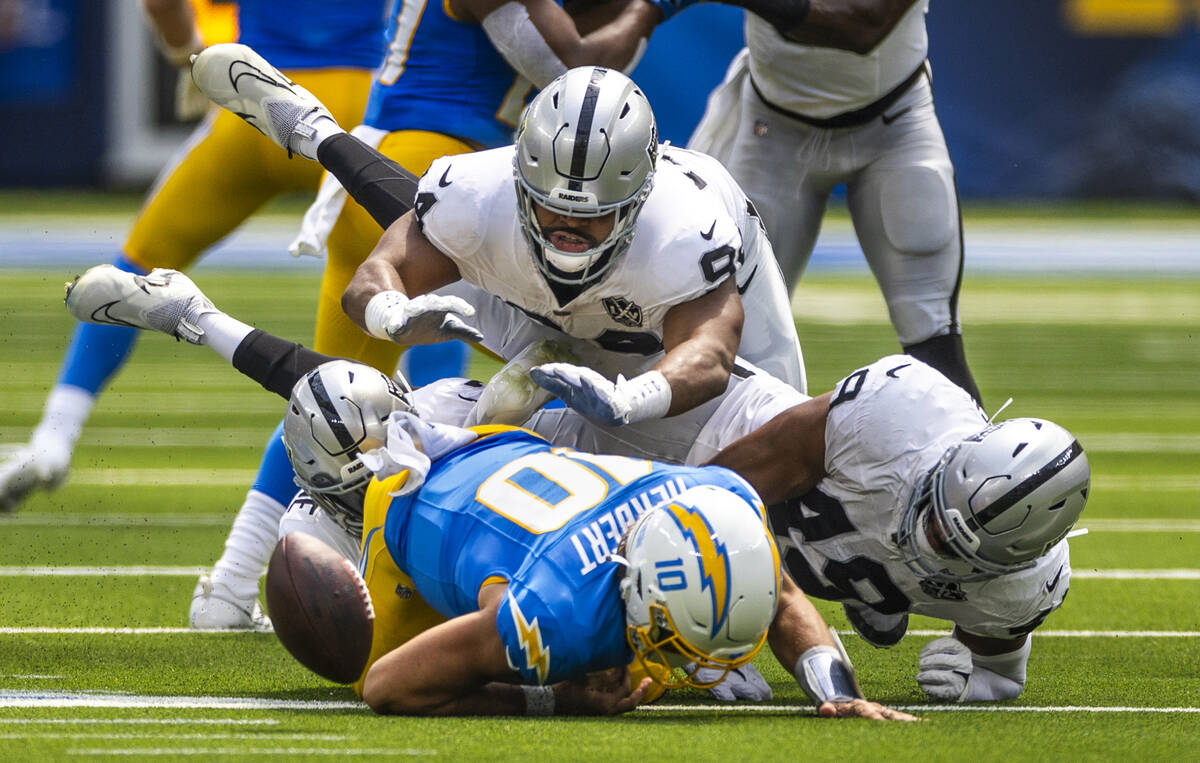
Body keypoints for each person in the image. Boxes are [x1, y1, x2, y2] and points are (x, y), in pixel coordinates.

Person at [61, 263, 918, 721]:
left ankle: (194, 317)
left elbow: (772, 580)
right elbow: (386, 687)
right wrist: (558, 692)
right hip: (420, 518)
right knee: (341, 626)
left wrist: (829, 680)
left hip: (507, 445)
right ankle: (194, 319)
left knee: (364, 400)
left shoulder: (699, 500)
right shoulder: (549, 611)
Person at [189, 0, 680, 629]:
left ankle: (230, 587)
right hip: (444, 175)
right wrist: (650, 10)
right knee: (416, 403)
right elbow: (573, 67)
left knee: (337, 397)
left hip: (401, 162)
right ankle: (418, 573)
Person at [0, 0, 388, 631]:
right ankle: (234, 580)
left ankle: (54, 435)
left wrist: (188, 58)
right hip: (364, 115)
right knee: (361, 355)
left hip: (257, 98)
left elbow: (161, 5)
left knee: (133, 268)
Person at [705, 355, 1090, 702]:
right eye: (933, 509)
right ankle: (873, 590)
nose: (929, 538)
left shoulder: (1024, 587)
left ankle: (872, 591)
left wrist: (971, 685)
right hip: (709, 435)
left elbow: (1002, 675)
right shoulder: (901, 416)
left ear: (1014, 562)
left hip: (808, 555)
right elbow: (709, 497)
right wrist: (704, 614)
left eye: (952, 548)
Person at [688, 0, 984, 403]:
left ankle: (972, 464)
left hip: (893, 126)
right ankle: (721, 466)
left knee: (932, 338)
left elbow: (862, 25)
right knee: (739, 340)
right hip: (774, 131)